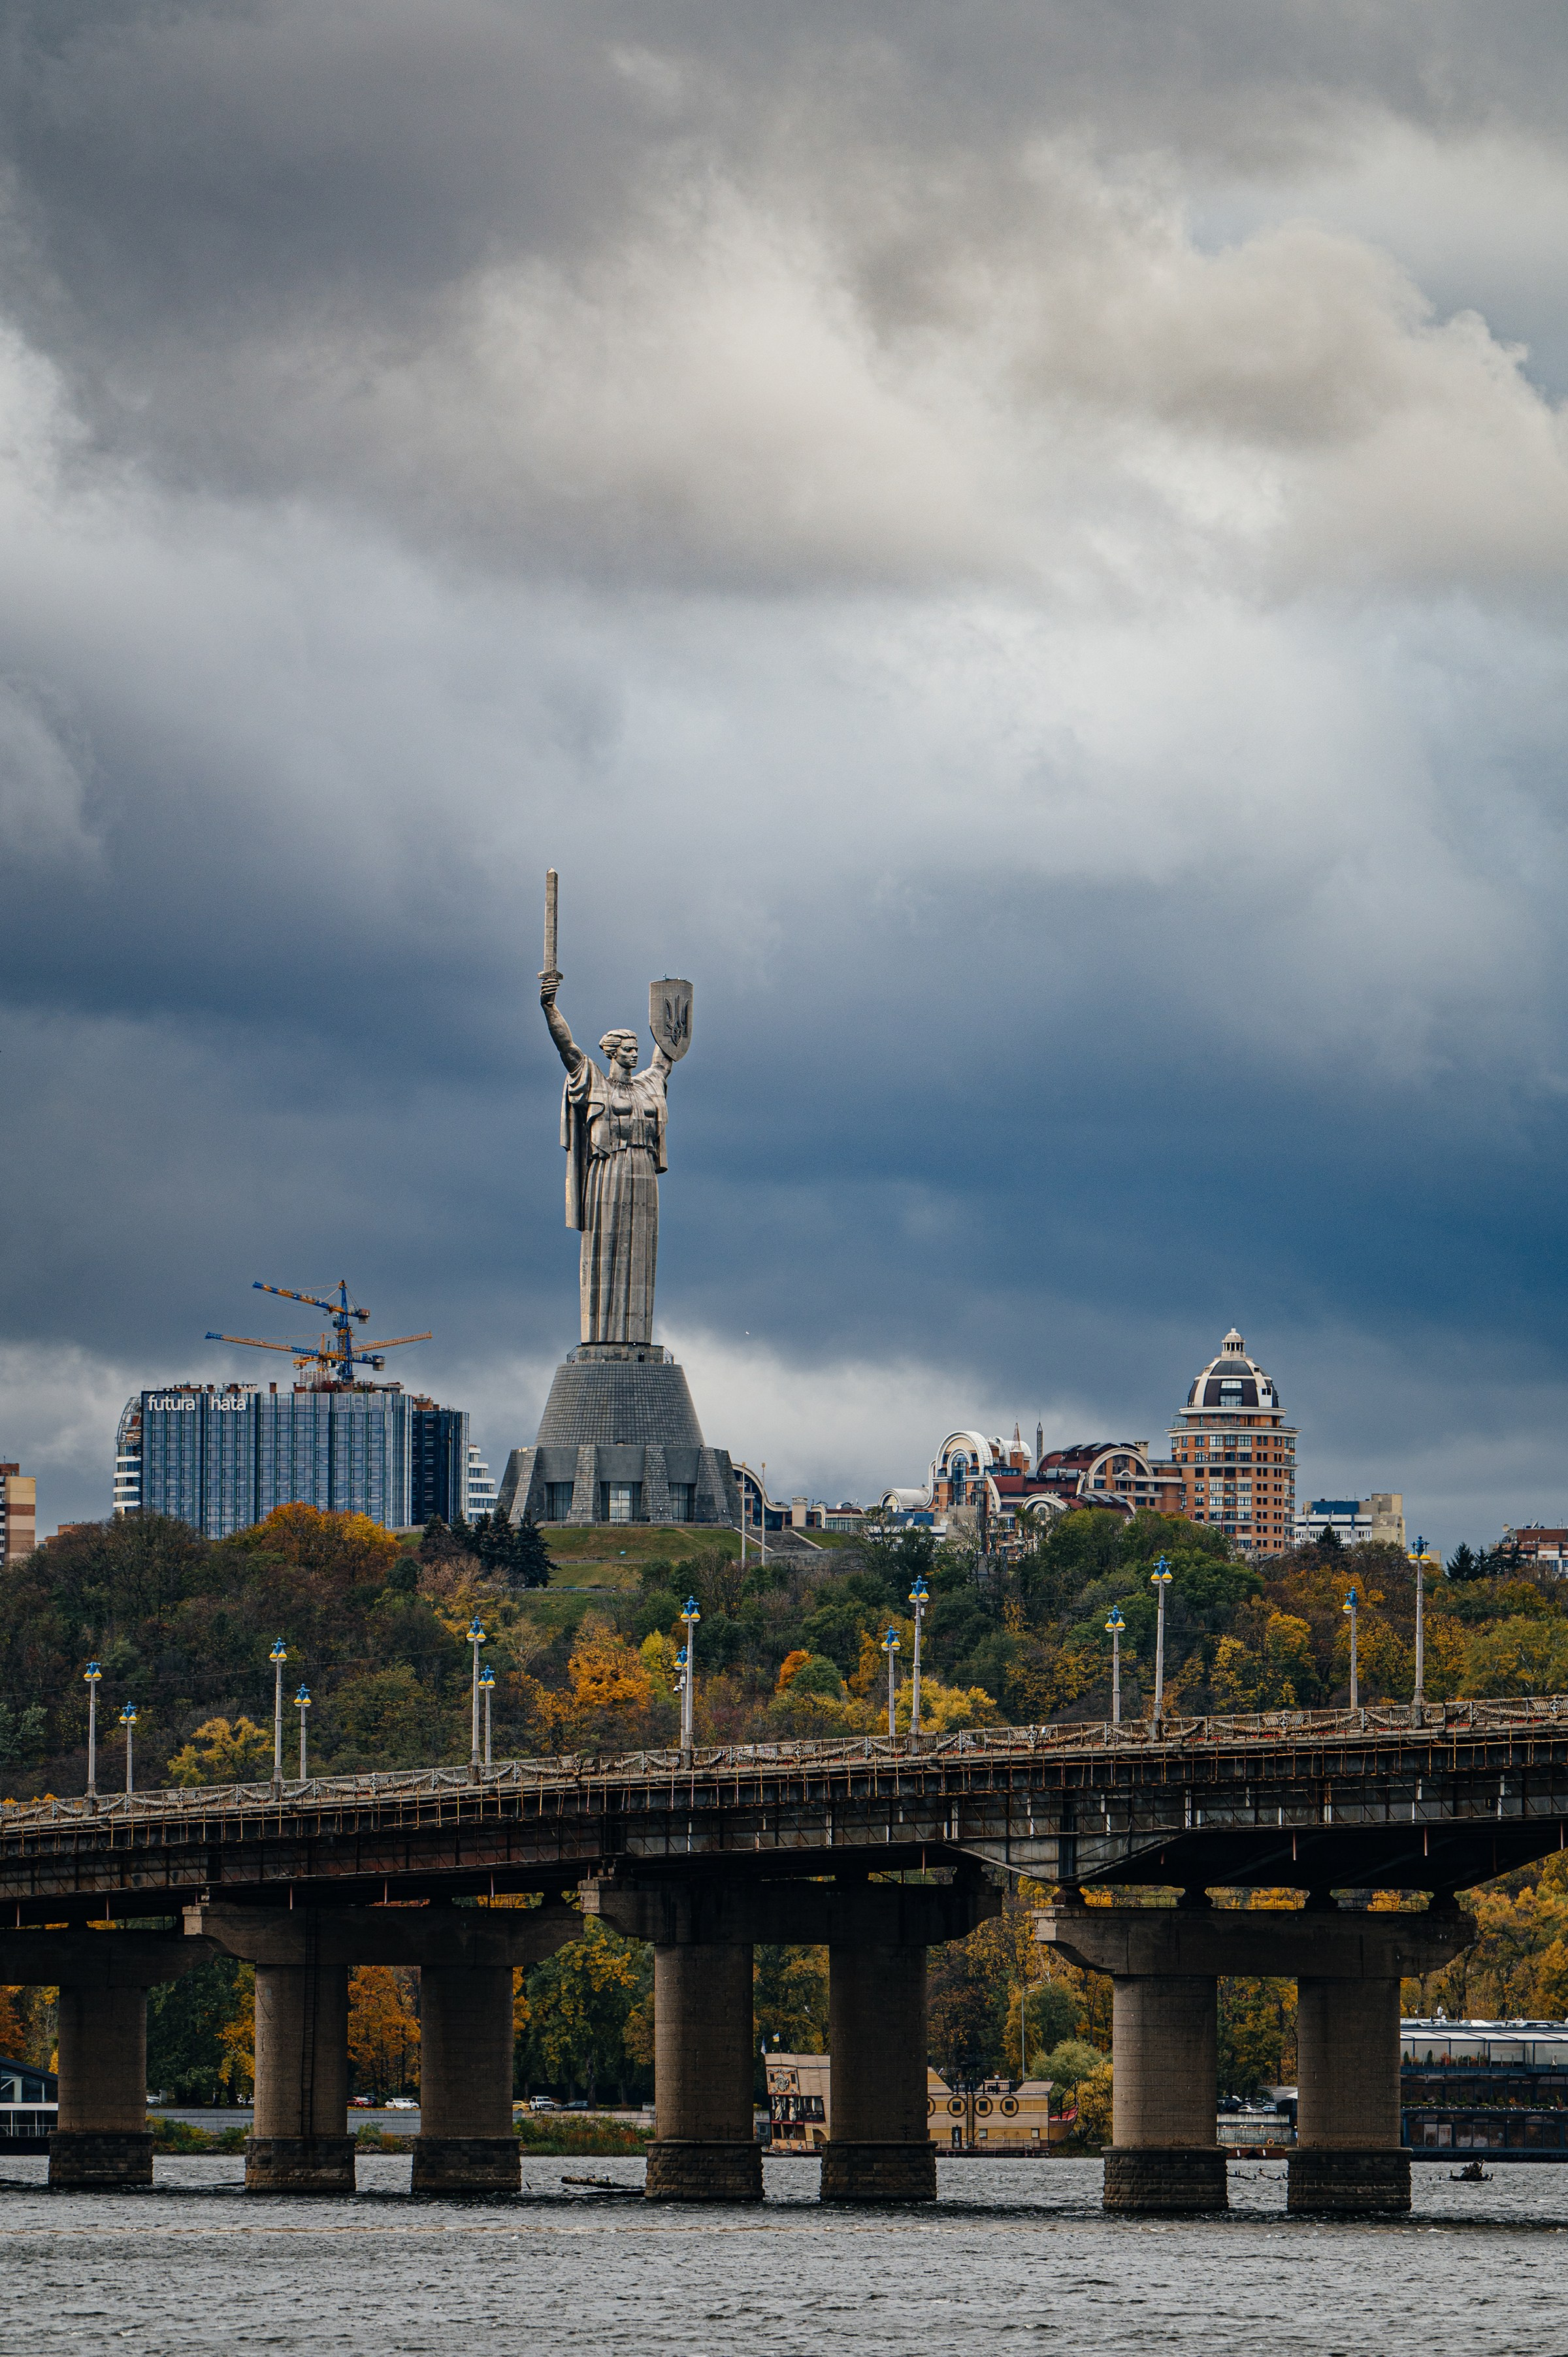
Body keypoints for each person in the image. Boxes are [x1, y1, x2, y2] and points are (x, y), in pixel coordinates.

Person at [540, 972, 675, 1345]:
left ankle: (638, 1339)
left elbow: (667, 1054)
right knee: (608, 1246)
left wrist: (671, 1015)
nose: (635, 1054)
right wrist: (549, 1007)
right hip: (608, 1171)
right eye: (628, 1049)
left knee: (641, 1252)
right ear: (613, 1052)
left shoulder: (650, 1084)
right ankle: (602, 1337)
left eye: (637, 1048)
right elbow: (567, 1048)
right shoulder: (595, 1081)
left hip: (644, 1173)